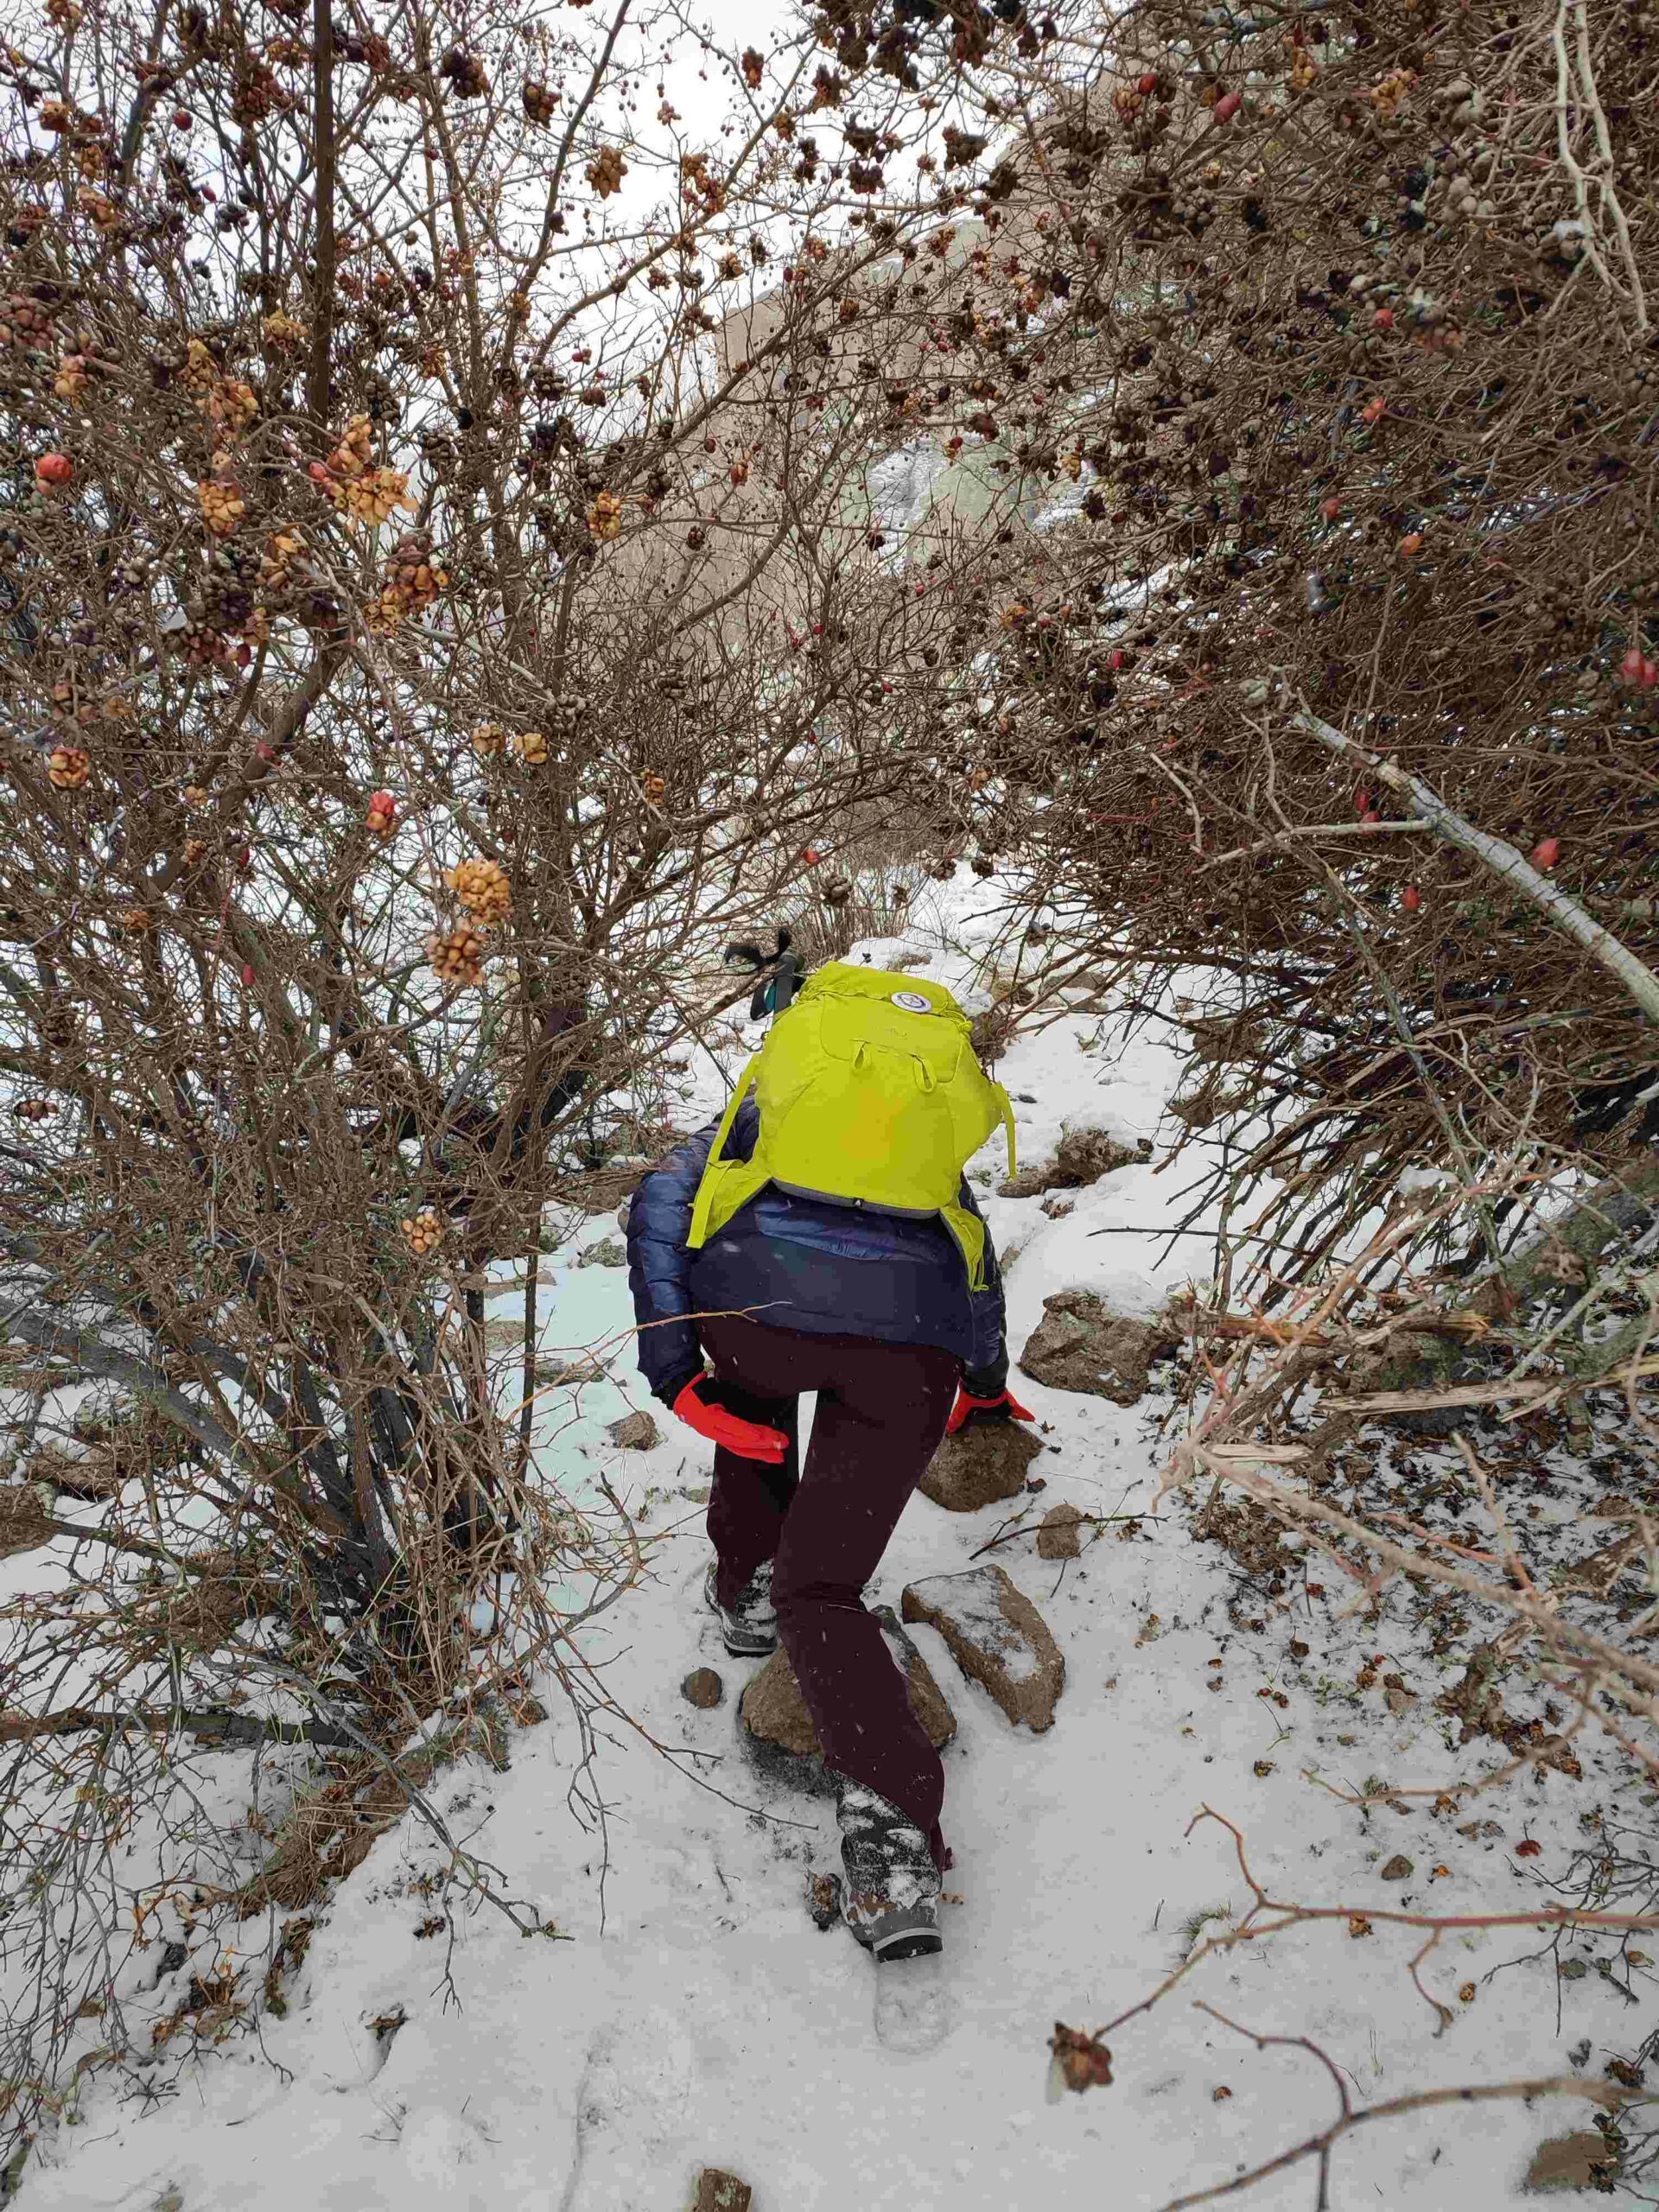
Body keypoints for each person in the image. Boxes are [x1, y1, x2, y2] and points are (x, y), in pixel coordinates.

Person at [626, 958, 1032, 1963]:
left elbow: (659, 1208)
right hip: (912, 1351)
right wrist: (983, 1383)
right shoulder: (918, 1154)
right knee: (831, 1587)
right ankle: (894, 1848)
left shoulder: (758, 1115)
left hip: (760, 1323)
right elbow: (970, 1256)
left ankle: (746, 1589)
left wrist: (678, 1374)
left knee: (751, 1402)